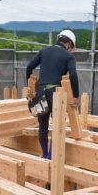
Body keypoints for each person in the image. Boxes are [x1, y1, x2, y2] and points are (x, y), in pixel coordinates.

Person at [25, 29, 79, 159]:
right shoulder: (68, 56)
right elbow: (73, 75)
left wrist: (30, 86)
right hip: (56, 93)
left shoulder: (44, 51)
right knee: (57, 125)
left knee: (43, 124)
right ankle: (51, 155)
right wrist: (75, 96)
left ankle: (44, 154)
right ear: (69, 44)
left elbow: (29, 67)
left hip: (41, 93)